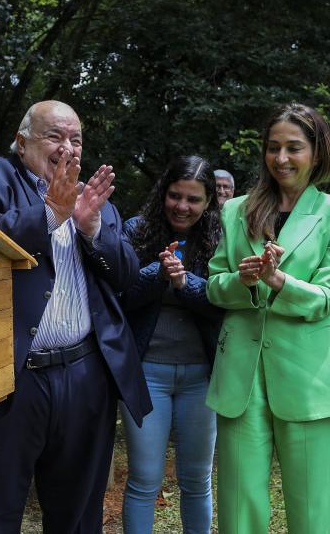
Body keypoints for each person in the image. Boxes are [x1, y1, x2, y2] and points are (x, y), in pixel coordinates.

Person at [0, 100, 151, 533]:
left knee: (77, 516)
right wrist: (50, 215)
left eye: (76, 139)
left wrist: (91, 227)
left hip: (85, 374)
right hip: (4, 380)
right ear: (22, 142)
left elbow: (127, 276)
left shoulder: (91, 197)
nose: (68, 148)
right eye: (55, 136)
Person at [205, 103, 330, 533]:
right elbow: (214, 285)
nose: (281, 158)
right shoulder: (236, 209)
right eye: (273, 148)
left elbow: (327, 298)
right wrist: (244, 280)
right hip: (241, 378)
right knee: (238, 510)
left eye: (294, 148)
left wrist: (278, 280)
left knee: (312, 512)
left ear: (317, 152)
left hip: (311, 379)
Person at [120, 156, 223, 534]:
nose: (182, 206)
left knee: (196, 480)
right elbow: (120, 296)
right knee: (145, 479)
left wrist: (186, 284)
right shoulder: (136, 231)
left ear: (209, 201)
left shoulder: (220, 238)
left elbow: (224, 303)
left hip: (202, 377)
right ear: (163, 193)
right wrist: (158, 274)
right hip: (147, 374)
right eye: (175, 195)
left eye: (193, 199)